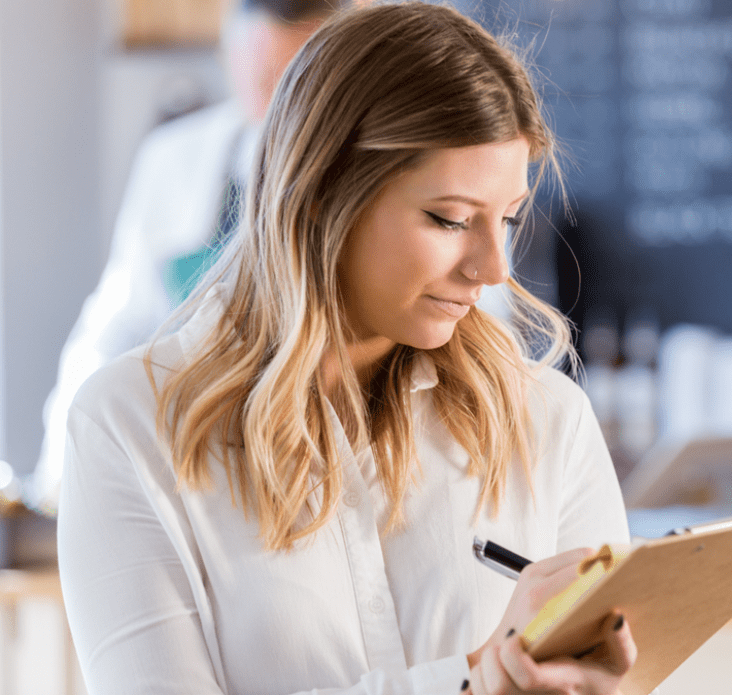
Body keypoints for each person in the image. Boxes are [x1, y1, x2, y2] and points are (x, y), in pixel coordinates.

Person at [58, 4, 636, 695]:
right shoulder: (131, 429)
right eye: (449, 218)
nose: (492, 269)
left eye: (506, 219)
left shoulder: (548, 420)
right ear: (325, 195)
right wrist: (474, 682)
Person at [29, 0, 336, 514]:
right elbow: (119, 322)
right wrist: (61, 471)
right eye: (262, 80)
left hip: (304, 456)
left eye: (294, 77)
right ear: (231, 56)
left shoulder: (368, 166)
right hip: (183, 455)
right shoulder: (173, 158)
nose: (275, 101)